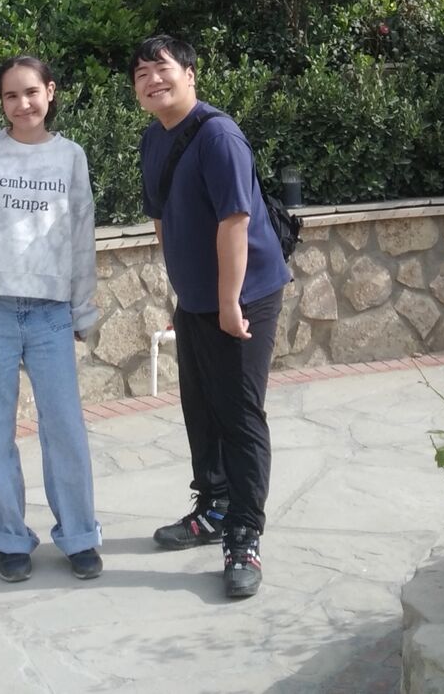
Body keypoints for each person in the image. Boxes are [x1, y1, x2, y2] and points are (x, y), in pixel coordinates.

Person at [134, 33, 290, 599]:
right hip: (198, 297)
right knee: (199, 407)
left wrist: (226, 303)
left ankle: (245, 535)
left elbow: (235, 222)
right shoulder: (154, 139)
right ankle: (216, 508)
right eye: (142, 73)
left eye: (163, 68)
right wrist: (185, 295)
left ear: (191, 74)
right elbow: (162, 221)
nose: (152, 79)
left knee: (239, 415)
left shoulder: (218, 135)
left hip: (245, 295)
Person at [0, 55, 104, 584]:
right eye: (11, 96)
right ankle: (10, 540)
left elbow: (81, 235)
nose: (23, 104)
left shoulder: (70, 157)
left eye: (32, 92)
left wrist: (83, 306)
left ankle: (80, 535)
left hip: (49, 313)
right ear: (1, 102)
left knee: (64, 428)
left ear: (50, 92)